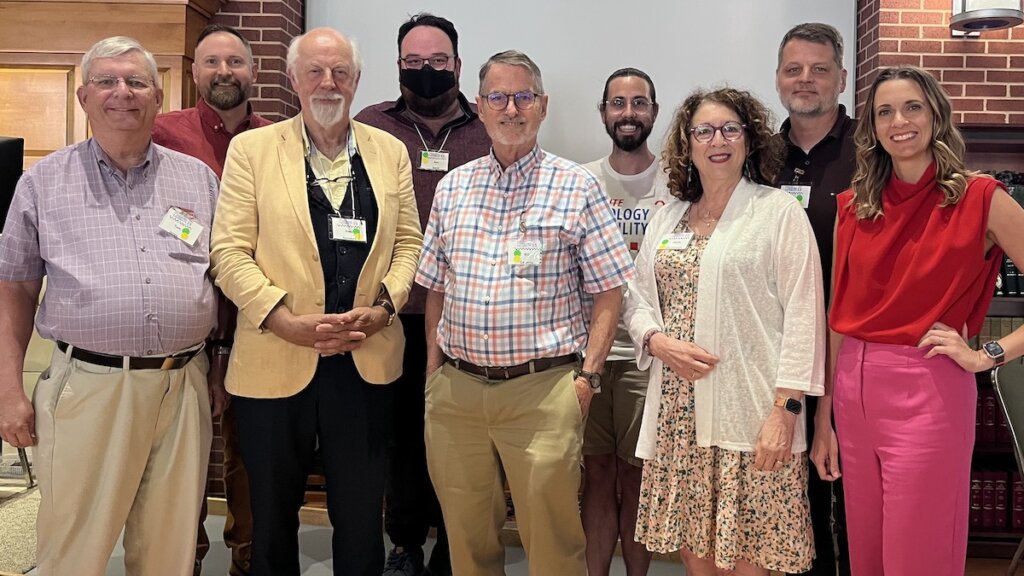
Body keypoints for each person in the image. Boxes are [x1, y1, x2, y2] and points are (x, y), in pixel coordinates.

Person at [0, 36, 222, 575]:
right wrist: (8, 390)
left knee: (170, 550)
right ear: (83, 97)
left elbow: (220, 274)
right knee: (74, 546)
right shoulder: (42, 182)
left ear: (158, 93)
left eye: (136, 81)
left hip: (183, 381)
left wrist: (218, 369)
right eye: (106, 81)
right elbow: (15, 289)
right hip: (89, 388)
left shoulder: (198, 178)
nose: (122, 92)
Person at [209, 27, 422, 576]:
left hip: (366, 357)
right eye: (316, 72)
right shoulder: (251, 150)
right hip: (274, 360)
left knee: (358, 514)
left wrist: (385, 308)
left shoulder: (389, 151)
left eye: (341, 72)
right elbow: (228, 251)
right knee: (272, 517)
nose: (329, 83)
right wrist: (282, 320)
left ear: (356, 80)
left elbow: (409, 245)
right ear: (293, 79)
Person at [416, 50, 635, 576]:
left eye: (523, 97)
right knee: (466, 541)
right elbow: (437, 286)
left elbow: (610, 290)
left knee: (554, 543)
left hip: (543, 394)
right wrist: (433, 369)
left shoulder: (577, 187)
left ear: (542, 106)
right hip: (457, 394)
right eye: (497, 97)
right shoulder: (453, 188)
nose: (510, 108)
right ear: (480, 107)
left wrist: (587, 377)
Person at [819, 65, 1024, 576]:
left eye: (912, 107)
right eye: (884, 111)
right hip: (851, 389)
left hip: (928, 386)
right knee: (865, 553)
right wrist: (823, 418)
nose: (899, 121)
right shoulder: (854, 206)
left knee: (919, 554)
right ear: (872, 128)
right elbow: (838, 318)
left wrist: (989, 354)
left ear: (936, 114)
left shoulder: (983, 199)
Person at [624, 87, 825, 576]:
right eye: (705, 130)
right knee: (699, 560)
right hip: (679, 418)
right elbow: (637, 299)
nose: (718, 139)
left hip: (752, 415)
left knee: (751, 564)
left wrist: (786, 412)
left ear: (749, 140)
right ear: (687, 144)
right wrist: (656, 340)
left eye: (730, 128)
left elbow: (804, 317)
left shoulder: (778, 213)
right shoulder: (667, 218)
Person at [353, 13, 490, 576]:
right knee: (402, 437)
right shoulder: (371, 125)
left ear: (457, 64)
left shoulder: (490, 128)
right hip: (393, 312)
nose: (427, 72)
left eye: (438, 62)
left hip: (468, 314)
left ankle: (455, 546)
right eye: (414, 63)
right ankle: (405, 542)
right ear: (398, 67)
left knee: (461, 439)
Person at [153, 23, 272, 576]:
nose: (224, 72)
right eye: (212, 62)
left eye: (235, 62)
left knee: (249, 454)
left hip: (255, 322)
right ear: (195, 71)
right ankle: (186, 559)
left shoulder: (277, 138)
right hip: (184, 324)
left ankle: (247, 559)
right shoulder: (161, 133)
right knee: (184, 458)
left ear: (254, 71)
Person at [775, 22, 855, 576]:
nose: (806, 80)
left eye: (819, 69)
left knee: (844, 490)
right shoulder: (757, 153)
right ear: (779, 79)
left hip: (851, 345)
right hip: (776, 349)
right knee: (787, 489)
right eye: (794, 69)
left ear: (842, 79)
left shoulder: (871, 149)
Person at [580, 66, 667, 576]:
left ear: (654, 111)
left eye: (639, 102)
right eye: (618, 102)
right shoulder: (582, 180)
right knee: (595, 475)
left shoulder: (679, 180)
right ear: (604, 113)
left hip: (648, 356)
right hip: (590, 353)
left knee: (638, 477)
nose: (628, 112)